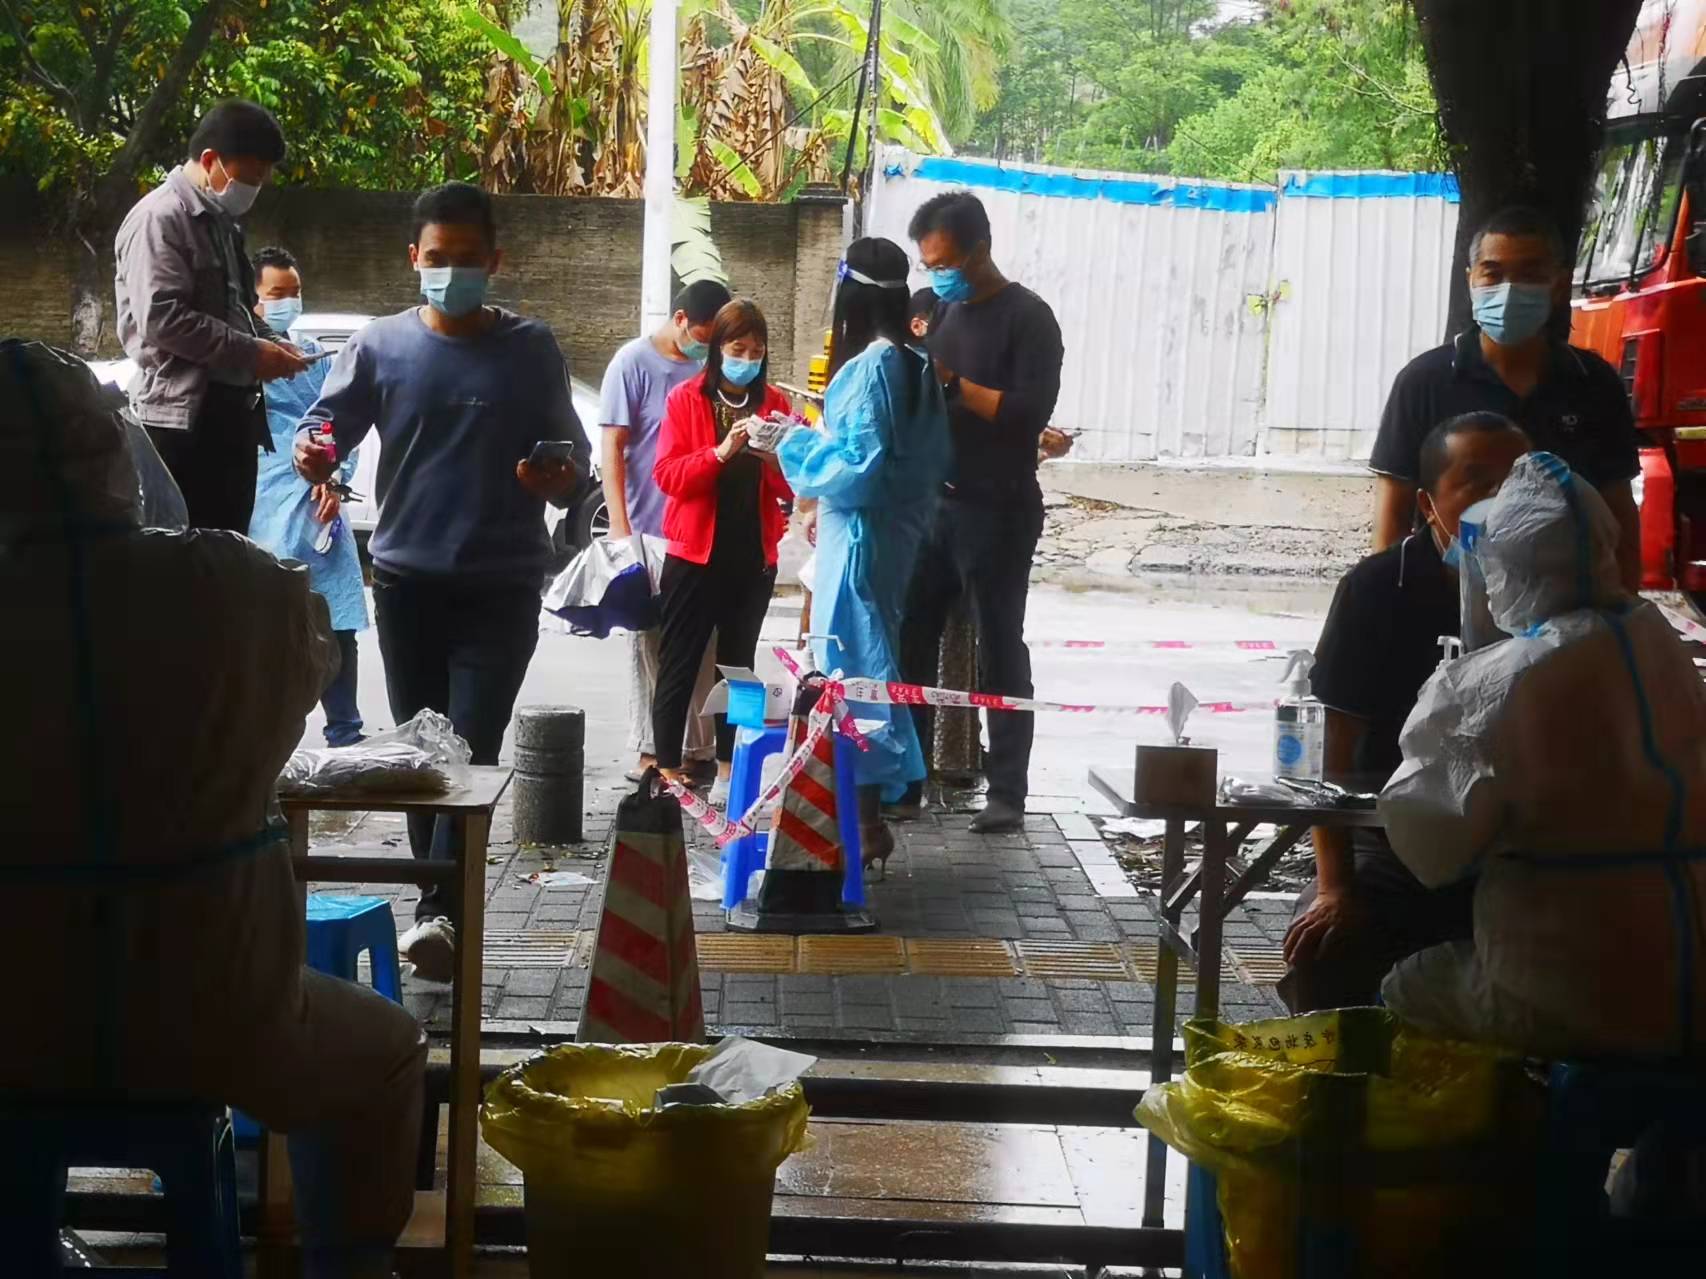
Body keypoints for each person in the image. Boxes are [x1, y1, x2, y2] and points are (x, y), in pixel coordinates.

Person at [0, 339, 425, 1279]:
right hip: (216, 1015)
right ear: (113, 450)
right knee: (388, 1052)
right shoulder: (233, 584)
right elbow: (306, 680)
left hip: (14, 1020)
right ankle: (349, 1266)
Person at [294, 182, 588, 981]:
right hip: (406, 583)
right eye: (437, 257)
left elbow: (573, 470)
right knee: (421, 754)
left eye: (467, 258)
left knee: (469, 746)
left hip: (502, 584)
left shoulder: (531, 349)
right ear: (413, 259)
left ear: (495, 262)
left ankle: (435, 909)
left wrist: (554, 478)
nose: (451, 271)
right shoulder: (380, 347)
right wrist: (313, 452)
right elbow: (323, 430)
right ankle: (440, 907)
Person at [1380, 451, 1706, 1060]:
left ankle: (1495, 1121)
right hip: (1691, 969)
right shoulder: (1662, 645)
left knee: (1406, 986)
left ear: (1502, 566)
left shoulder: (1498, 679)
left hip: (1565, 981)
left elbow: (1431, 851)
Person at [1280, 412, 1531, 1012]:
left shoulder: (1549, 591)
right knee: (1326, 950)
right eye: (1477, 481)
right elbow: (1332, 750)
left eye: (1515, 481)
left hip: (1520, 846)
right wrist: (1335, 886)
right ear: (1427, 502)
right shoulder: (1377, 589)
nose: (1499, 498)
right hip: (1392, 839)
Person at [777, 238, 952, 870]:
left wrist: (789, 443)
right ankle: (862, 815)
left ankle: (865, 820)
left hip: (858, 542)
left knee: (851, 677)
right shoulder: (918, 364)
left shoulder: (869, 368)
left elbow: (857, 465)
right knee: (873, 669)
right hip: (895, 539)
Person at [899, 190, 1065, 833]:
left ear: (981, 250)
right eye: (929, 265)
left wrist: (955, 385)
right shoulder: (937, 312)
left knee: (999, 648)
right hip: (930, 507)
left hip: (998, 508)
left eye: (944, 263)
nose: (937, 275)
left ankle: (1008, 793)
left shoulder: (1029, 318)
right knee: (911, 642)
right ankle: (907, 780)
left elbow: (1028, 413)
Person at [1369, 205, 1642, 591]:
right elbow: (1392, 518)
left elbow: (1620, 517)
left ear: (1559, 284)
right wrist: (1391, 603)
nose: (1509, 289)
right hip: (1447, 601)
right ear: (1471, 280)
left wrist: (1621, 613)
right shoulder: (1424, 382)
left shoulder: (1594, 384)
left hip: (1563, 606)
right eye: (1493, 274)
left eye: (1530, 275)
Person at [114, 100, 310, 532]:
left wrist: (273, 342)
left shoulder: (222, 224)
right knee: (179, 553)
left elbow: (239, 309)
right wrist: (251, 353)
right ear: (209, 160)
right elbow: (162, 319)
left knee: (228, 552)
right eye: (249, 177)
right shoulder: (159, 219)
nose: (254, 189)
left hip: (231, 418)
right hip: (179, 423)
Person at [651, 299, 794, 800]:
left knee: (738, 667)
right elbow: (668, 476)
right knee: (680, 661)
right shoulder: (686, 399)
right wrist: (720, 453)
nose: (747, 359)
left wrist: (775, 457)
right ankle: (667, 769)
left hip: (752, 557)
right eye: (737, 349)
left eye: (756, 351)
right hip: (694, 556)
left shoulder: (775, 403)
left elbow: (793, 485)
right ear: (717, 349)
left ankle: (734, 770)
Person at [601, 278, 731, 783]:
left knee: (704, 646)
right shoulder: (632, 363)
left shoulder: (712, 367)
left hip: (702, 529)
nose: (707, 347)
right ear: (680, 320)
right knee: (652, 645)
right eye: (703, 336)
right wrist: (620, 529)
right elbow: (613, 448)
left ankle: (699, 749)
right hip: (650, 529)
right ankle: (652, 748)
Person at [248, 246, 367, 746]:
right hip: (265, 499)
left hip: (319, 502)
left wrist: (334, 478)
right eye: (277, 293)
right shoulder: (241, 359)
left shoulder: (315, 355)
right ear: (253, 298)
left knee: (336, 619)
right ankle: (268, 735)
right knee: (274, 621)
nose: (288, 302)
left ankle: (345, 729)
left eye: (294, 292)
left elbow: (340, 422)